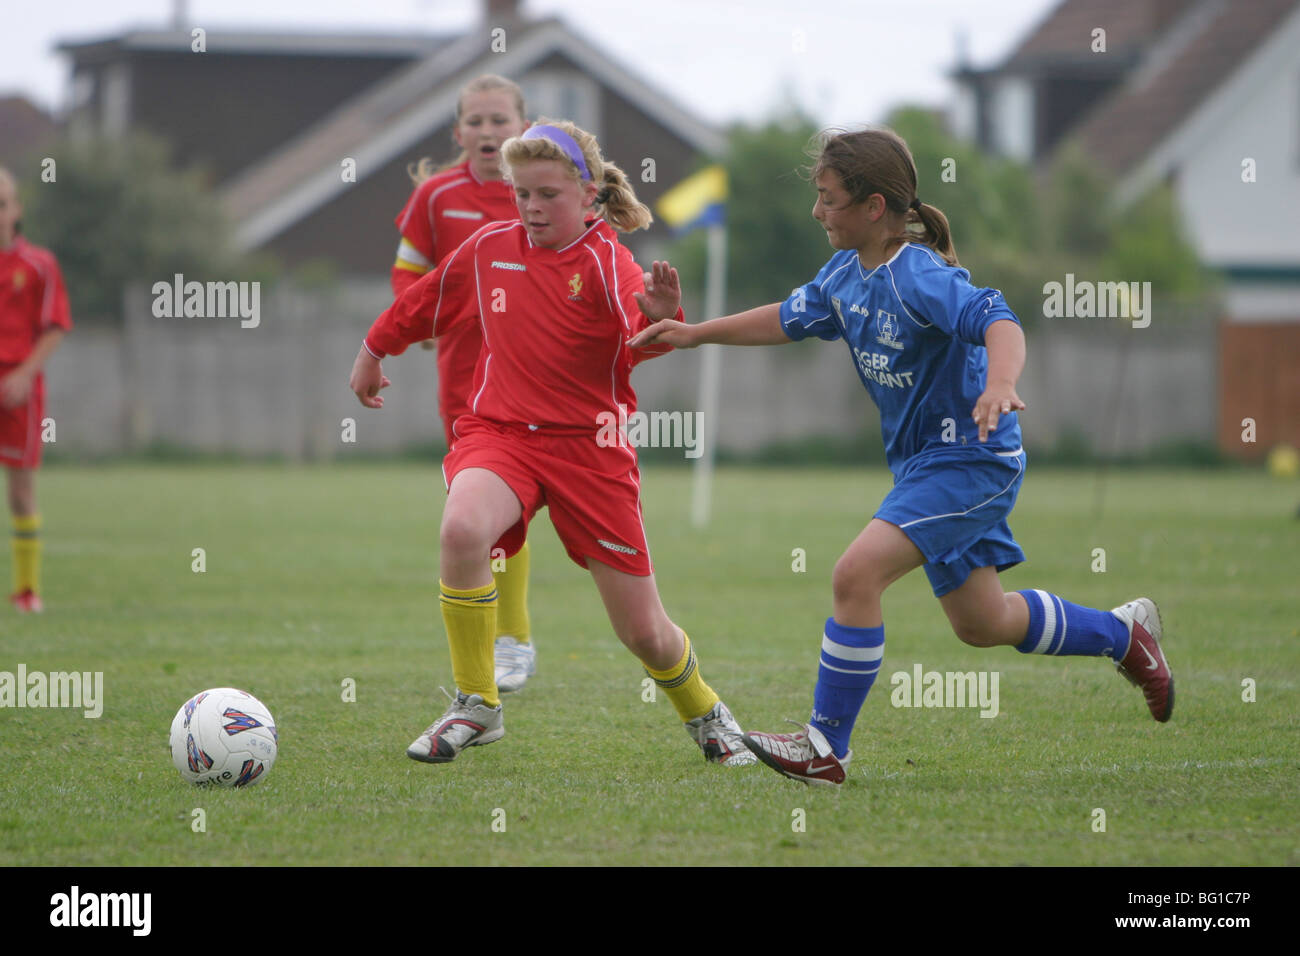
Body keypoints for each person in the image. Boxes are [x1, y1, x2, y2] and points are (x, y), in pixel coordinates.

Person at [630, 127, 1172, 786]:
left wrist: (1001, 383)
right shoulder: (845, 274)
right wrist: (695, 334)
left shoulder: (919, 276)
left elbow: (999, 319)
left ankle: (825, 748)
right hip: (923, 468)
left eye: (828, 199)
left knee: (855, 576)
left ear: (874, 206)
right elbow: (785, 318)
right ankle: (1123, 635)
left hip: (971, 461)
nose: (817, 211)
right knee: (983, 621)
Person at [350, 119, 756, 767]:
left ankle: (707, 714)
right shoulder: (489, 248)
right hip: (502, 435)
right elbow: (427, 301)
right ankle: (477, 704)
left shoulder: (606, 260)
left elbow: (636, 337)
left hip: (591, 451)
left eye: (548, 195)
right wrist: (374, 349)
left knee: (645, 634)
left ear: (588, 191)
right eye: (522, 195)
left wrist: (658, 314)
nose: (533, 209)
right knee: (461, 531)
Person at [390, 75, 538, 693]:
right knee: (482, 508)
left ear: (522, 129)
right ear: (457, 132)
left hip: (532, 373)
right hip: (462, 377)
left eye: (498, 120)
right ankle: (506, 645)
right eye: (475, 121)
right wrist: (416, 323)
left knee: (514, 505)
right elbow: (407, 274)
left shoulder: (540, 192)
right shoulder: (435, 197)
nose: (487, 131)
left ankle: (514, 638)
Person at [0, 166, 71, 614]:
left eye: (2, 203)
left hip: (19, 388)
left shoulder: (39, 265)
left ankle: (27, 592)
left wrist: (25, 373)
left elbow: (56, 325)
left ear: (17, 208)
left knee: (21, 489)